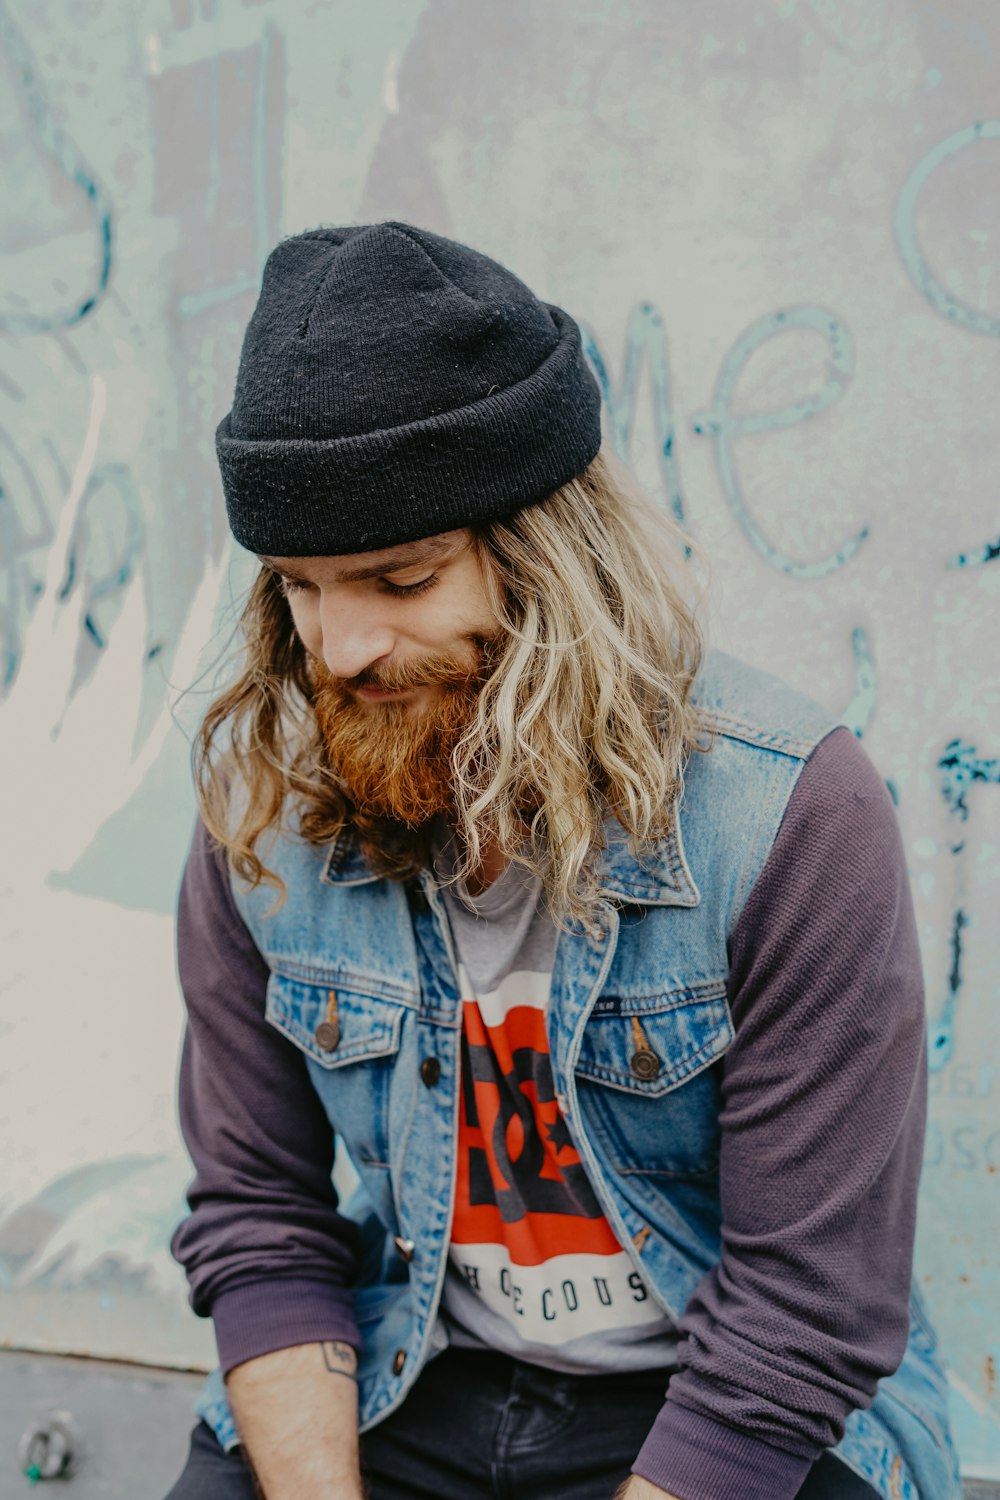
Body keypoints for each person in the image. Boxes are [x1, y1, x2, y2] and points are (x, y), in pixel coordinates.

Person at [165, 221, 960, 1500]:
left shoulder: (786, 812)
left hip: (718, 1398)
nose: (342, 648)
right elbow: (260, 1221)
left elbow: (803, 1316)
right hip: (411, 1369)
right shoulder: (266, 818)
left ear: (550, 564)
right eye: (300, 589)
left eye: (400, 579)